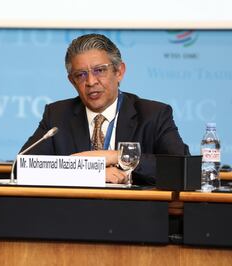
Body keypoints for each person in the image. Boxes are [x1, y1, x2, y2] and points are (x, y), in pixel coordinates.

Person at [20, 33, 189, 185]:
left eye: (99, 70)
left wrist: (118, 156)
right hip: (72, 213)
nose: (91, 81)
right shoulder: (57, 115)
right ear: (72, 81)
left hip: (133, 213)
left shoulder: (153, 114)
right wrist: (91, 173)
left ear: (119, 72)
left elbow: (183, 169)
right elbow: (22, 168)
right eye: (81, 75)